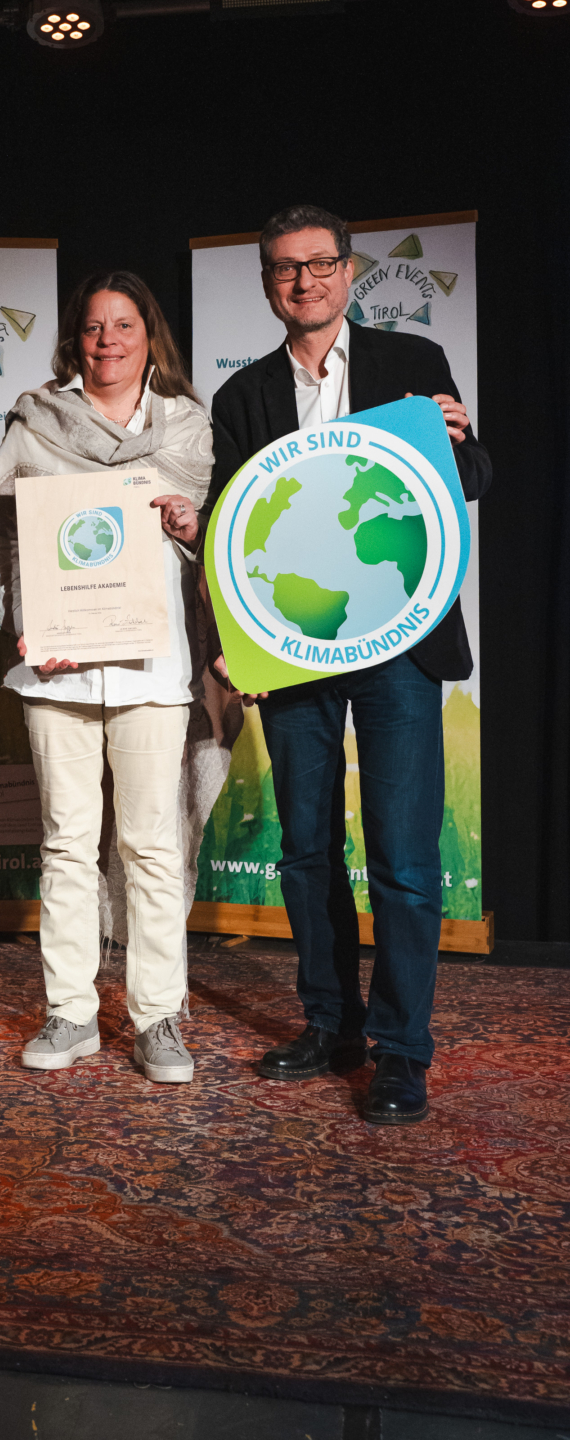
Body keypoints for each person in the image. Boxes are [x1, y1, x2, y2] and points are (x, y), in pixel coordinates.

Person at [206, 204, 491, 1126]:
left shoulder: (412, 366)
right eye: (286, 269)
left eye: (320, 265)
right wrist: (228, 637)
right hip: (292, 649)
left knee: (405, 863)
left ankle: (403, 1053)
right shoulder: (241, 396)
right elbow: (231, 529)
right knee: (306, 850)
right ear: (266, 282)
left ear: (349, 270)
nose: (305, 282)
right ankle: (330, 1024)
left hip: (400, 644)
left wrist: (457, 440)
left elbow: (475, 477)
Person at [0, 271, 215, 1082]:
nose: (108, 341)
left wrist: (190, 522)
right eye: (94, 327)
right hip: (56, 669)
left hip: (153, 667)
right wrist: (23, 623)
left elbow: (199, 537)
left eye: (124, 326)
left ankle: (158, 1018)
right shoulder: (34, 419)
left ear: (148, 336)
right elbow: (6, 537)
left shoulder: (187, 425)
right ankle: (71, 1013)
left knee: (153, 846)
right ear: (74, 338)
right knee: (66, 845)